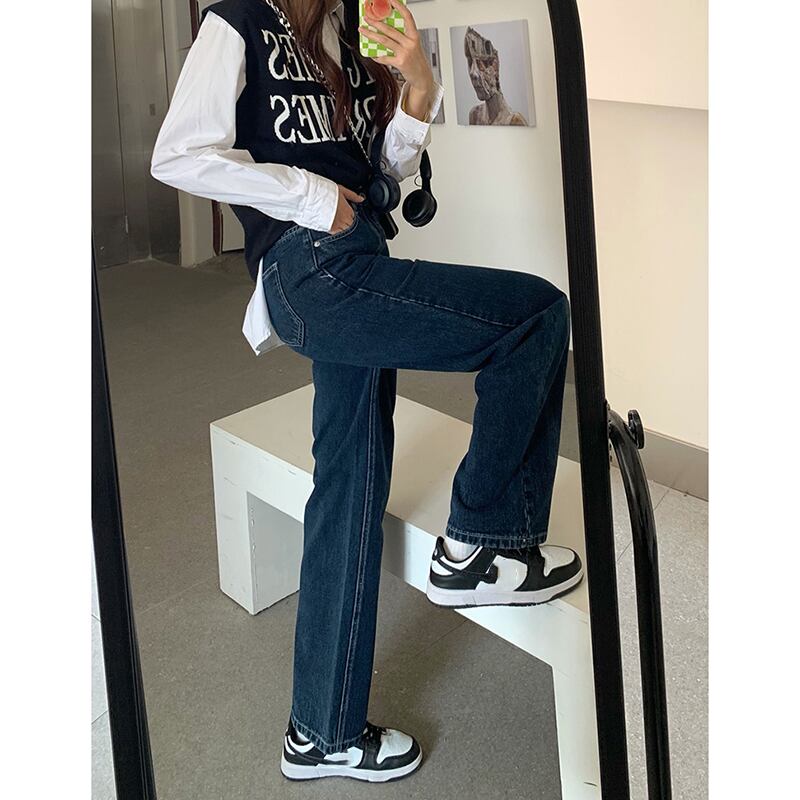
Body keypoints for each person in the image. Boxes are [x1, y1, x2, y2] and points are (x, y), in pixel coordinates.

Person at [151, 0, 583, 784]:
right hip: (311, 266)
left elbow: (378, 176)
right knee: (534, 317)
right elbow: (179, 153)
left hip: (355, 260)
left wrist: (418, 87)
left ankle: (320, 732)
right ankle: (484, 544)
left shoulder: (344, 34)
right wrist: (311, 198)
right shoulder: (239, 19)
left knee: (349, 482)